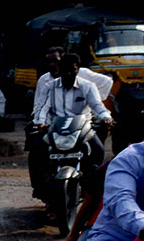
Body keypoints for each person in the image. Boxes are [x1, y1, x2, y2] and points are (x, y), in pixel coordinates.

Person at [30, 53, 112, 199]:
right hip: (54, 128)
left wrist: (106, 117)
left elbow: (97, 106)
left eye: (72, 70)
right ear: (59, 69)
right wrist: (39, 121)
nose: (68, 73)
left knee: (98, 151)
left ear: (77, 69)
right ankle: (39, 187)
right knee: (35, 152)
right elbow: (41, 107)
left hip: (82, 128)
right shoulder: (49, 87)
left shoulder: (88, 86)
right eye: (64, 69)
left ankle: (92, 187)